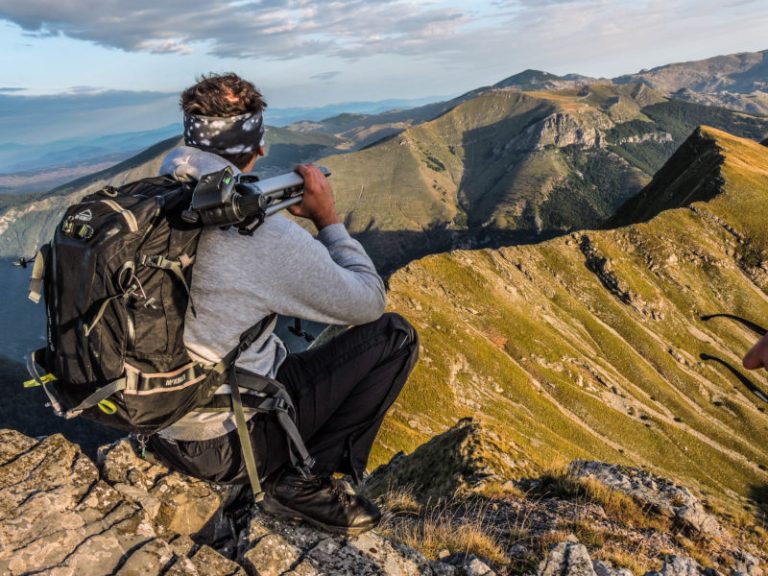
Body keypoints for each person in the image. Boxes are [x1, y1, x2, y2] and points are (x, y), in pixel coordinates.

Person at [147, 73, 419, 535]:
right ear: (252, 144)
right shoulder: (254, 233)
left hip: (158, 419)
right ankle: (302, 483)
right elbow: (368, 301)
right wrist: (327, 219)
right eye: (260, 136)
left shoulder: (153, 202)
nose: (266, 151)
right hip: (225, 439)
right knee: (394, 337)